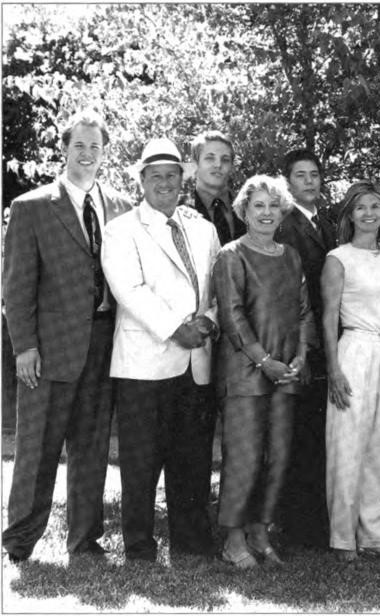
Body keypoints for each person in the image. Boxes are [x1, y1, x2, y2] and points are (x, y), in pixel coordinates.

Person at [2, 109, 132, 562]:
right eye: (80, 145)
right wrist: (24, 348)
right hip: (50, 346)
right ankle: (19, 543)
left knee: (92, 449)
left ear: (105, 153)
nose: (88, 154)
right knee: (37, 449)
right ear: (64, 149)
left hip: (103, 344)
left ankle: (84, 542)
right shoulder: (32, 207)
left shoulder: (120, 206)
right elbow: (16, 286)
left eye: (96, 147)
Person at [102, 138, 221, 562]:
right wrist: (176, 329)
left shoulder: (202, 228)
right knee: (141, 463)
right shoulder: (122, 229)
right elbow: (128, 290)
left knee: (191, 459)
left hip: (196, 361)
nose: (166, 183)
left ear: (183, 180)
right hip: (144, 363)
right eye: (156, 176)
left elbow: (216, 284)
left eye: (173, 175)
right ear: (141, 180)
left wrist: (208, 320)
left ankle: (190, 544)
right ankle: (139, 548)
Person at [213, 175, 314, 568]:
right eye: (259, 205)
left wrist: (301, 357)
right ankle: (233, 540)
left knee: (279, 456)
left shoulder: (290, 255)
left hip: (287, 373)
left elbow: (305, 311)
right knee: (245, 458)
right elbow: (233, 316)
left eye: (274, 205)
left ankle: (260, 532)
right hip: (246, 373)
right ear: (244, 210)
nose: (267, 212)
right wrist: (262, 361)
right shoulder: (231, 255)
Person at [321, 180, 380, 562]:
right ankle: (343, 537)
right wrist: (334, 371)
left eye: (376, 206)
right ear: (349, 214)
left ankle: (375, 535)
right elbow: (328, 319)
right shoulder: (337, 258)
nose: (370, 213)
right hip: (354, 351)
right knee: (348, 445)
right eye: (361, 207)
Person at [274, 149, 337, 548]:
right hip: (301, 340)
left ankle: (317, 522)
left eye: (315, 174)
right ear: (288, 182)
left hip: (327, 338)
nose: (310, 182)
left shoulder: (328, 224)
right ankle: (297, 526)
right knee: (298, 437)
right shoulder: (284, 224)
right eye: (301, 176)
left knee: (317, 435)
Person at [183, 130, 246, 244]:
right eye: (210, 158)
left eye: (225, 159)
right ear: (195, 163)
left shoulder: (247, 208)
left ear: (232, 166)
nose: (218, 164)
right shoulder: (178, 211)